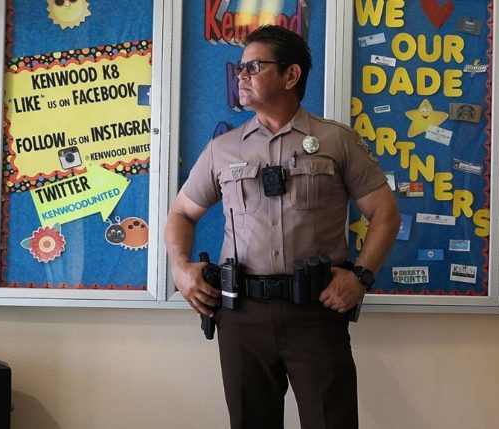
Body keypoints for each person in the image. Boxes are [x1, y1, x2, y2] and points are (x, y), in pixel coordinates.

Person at [165, 25, 400, 429]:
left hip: (316, 313)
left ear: (291, 76)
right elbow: (181, 214)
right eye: (239, 68)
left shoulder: (337, 141)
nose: (241, 76)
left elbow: (385, 213)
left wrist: (361, 276)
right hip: (242, 316)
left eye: (253, 67)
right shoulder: (224, 149)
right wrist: (180, 268)